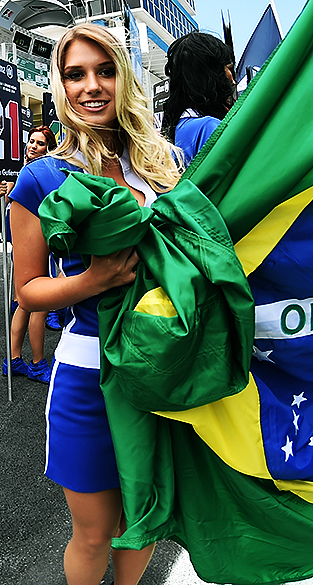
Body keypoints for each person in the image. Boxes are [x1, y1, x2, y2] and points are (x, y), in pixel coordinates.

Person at [9, 23, 181, 585]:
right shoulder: (41, 176)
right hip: (87, 374)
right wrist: (94, 280)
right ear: (58, 86)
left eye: (105, 70)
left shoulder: (161, 163)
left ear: (123, 77)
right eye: (75, 74)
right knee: (92, 530)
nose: (92, 86)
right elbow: (27, 290)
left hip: (158, 370)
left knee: (143, 518)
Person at [3, 125, 58, 383]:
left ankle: (14, 360)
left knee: (26, 303)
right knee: (36, 303)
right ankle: (37, 363)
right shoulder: (35, 173)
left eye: (39, 143)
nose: (33, 146)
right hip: (32, 245)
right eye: (32, 142)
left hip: (32, 243)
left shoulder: (37, 170)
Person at [162, 31, 236, 165]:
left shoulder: (174, 129)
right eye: (229, 69)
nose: (232, 80)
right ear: (210, 75)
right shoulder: (210, 127)